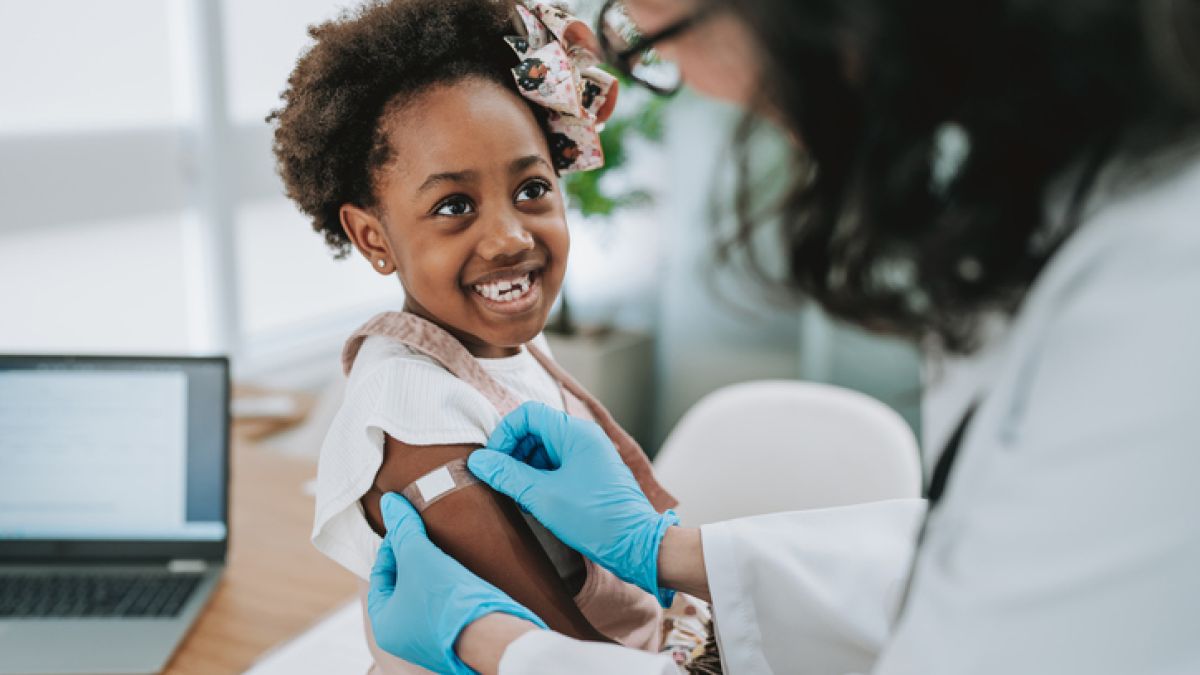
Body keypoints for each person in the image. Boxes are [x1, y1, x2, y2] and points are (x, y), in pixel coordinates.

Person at [365, 0, 1200, 673]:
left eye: (660, 36)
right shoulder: (1057, 226)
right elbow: (963, 558)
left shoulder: (1155, 323)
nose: (704, 88)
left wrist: (502, 648)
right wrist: (667, 550)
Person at [266, 1, 697, 672]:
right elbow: (558, 654)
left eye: (531, 188)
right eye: (453, 206)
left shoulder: (501, 337)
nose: (509, 237)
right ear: (373, 236)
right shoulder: (413, 403)